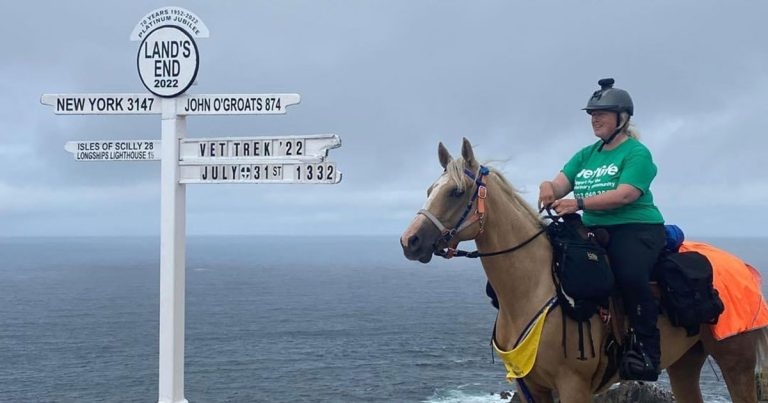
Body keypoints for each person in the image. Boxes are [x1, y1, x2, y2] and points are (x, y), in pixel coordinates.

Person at [537, 78, 666, 381]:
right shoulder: (587, 154)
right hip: (592, 229)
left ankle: (647, 351)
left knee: (630, 276)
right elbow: (560, 183)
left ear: (622, 119)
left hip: (635, 228)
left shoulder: (637, 153)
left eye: (602, 113)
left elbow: (626, 194)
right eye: (592, 114)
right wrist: (547, 187)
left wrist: (578, 203)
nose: (595, 119)